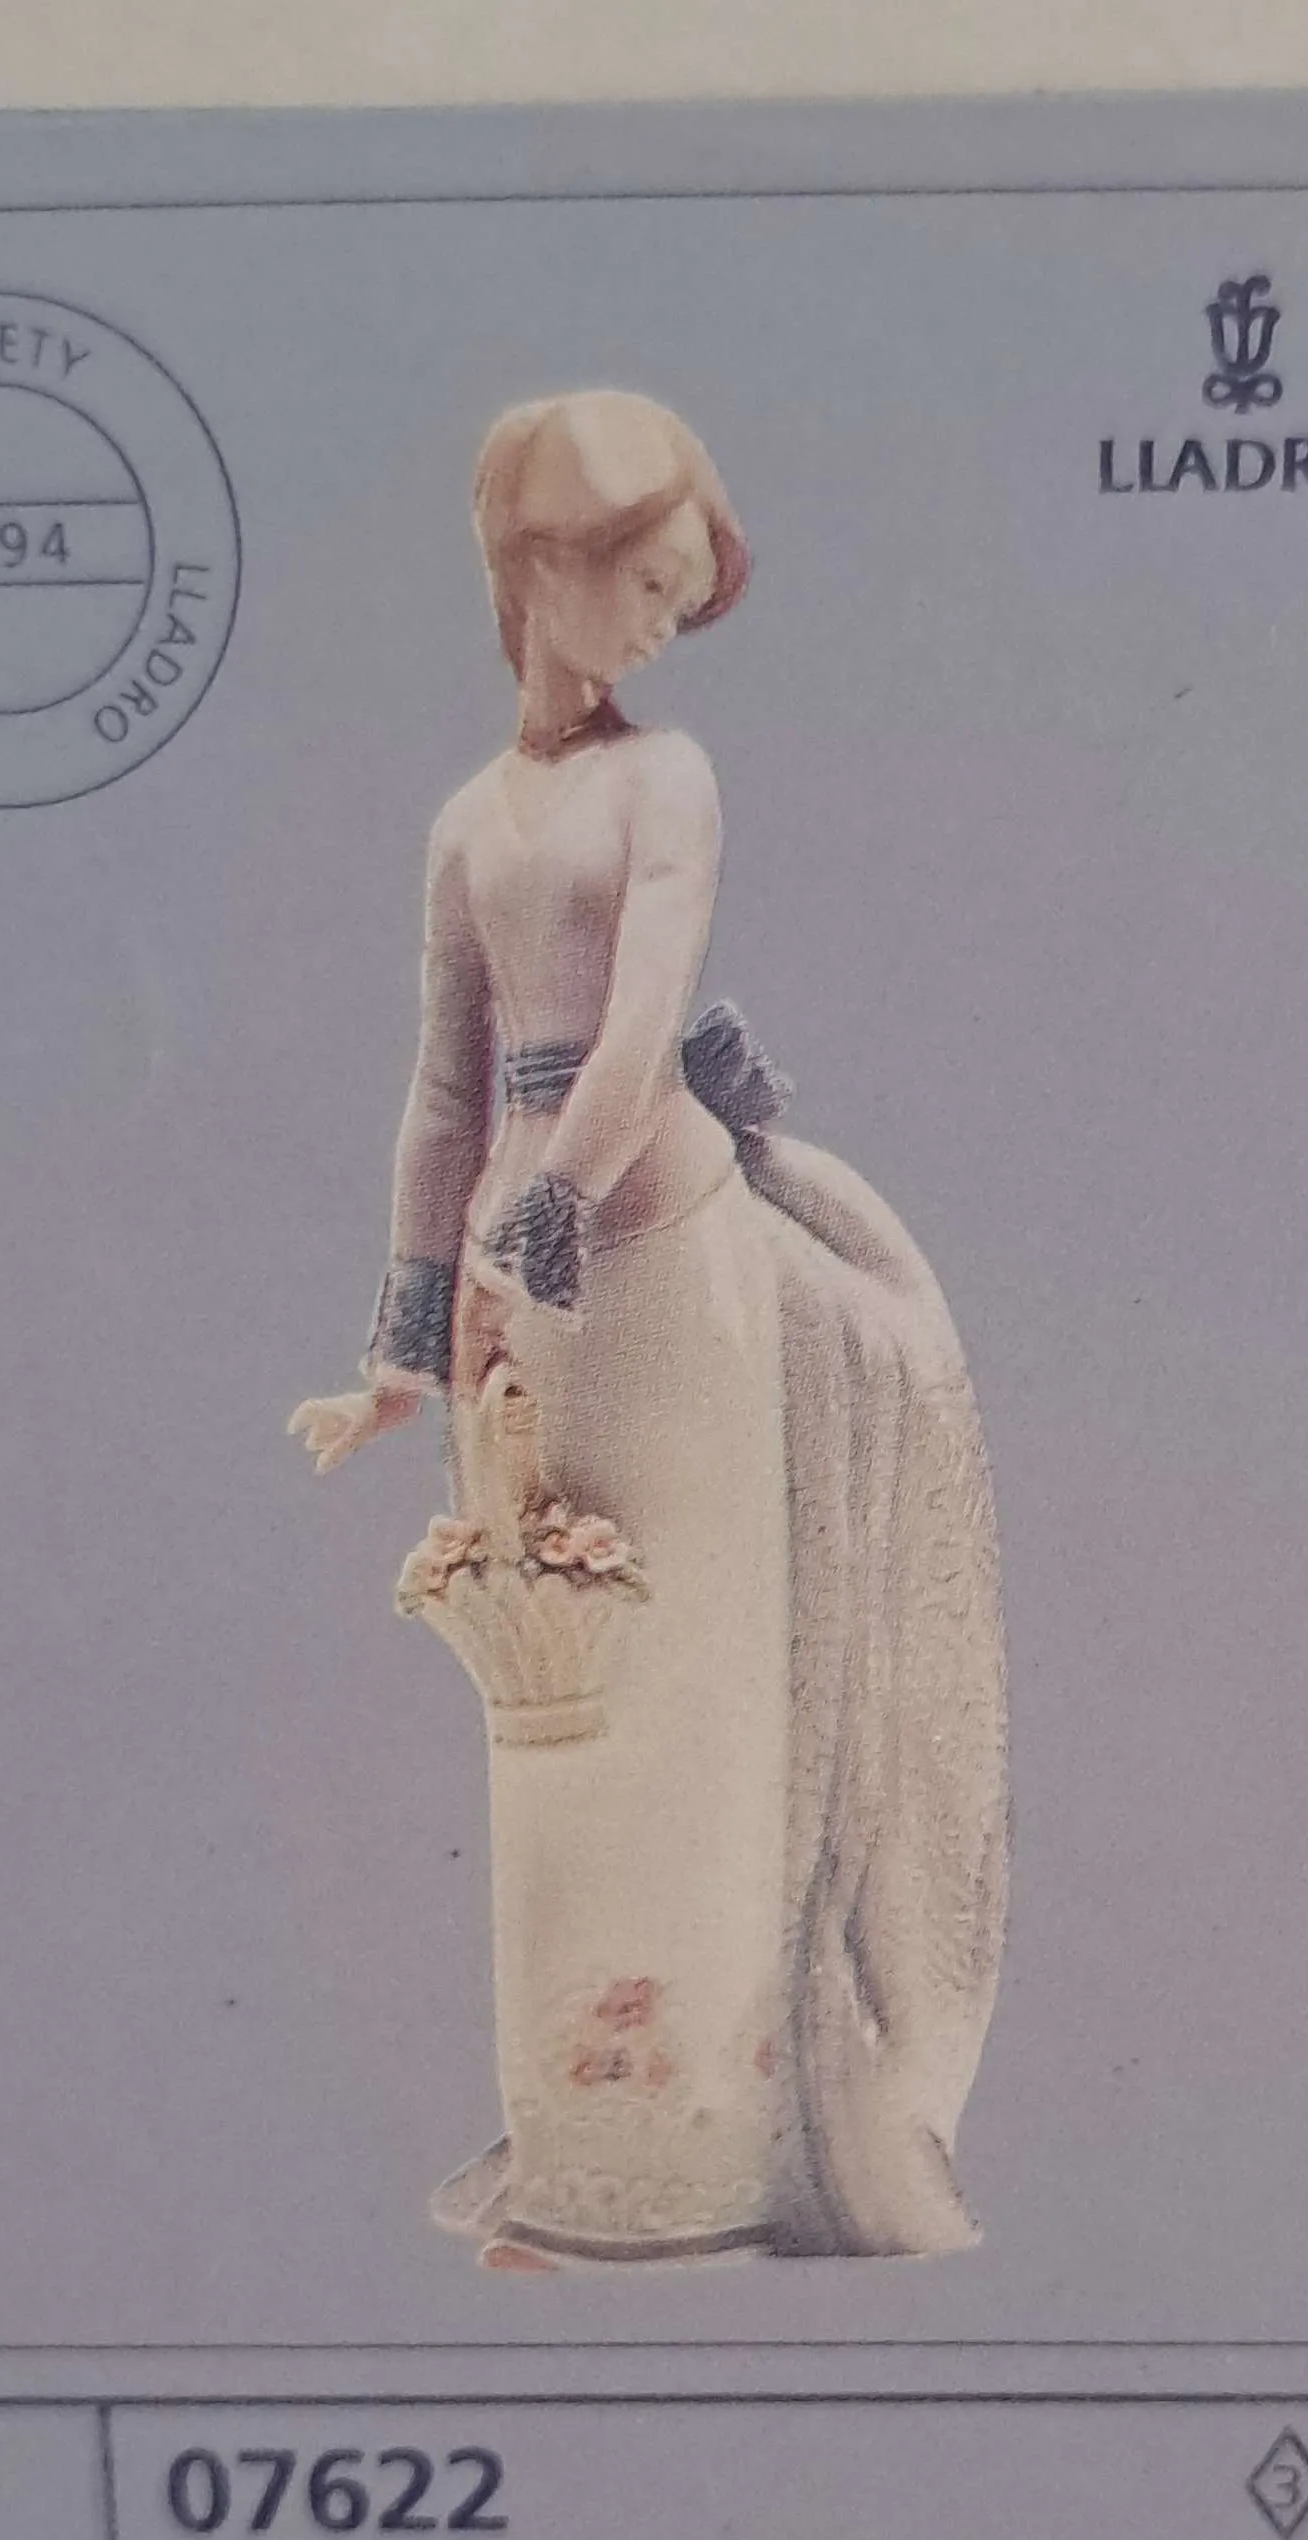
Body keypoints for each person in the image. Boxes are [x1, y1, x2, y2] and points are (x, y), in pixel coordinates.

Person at [290, 389, 1005, 2268]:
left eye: (684, 601)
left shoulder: (665, 780)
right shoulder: (469, 822)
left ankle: (705, 2153)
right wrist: (405, 1340)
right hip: (518, 1300)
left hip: (660, 1257)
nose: (663, 632)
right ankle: (582, 2149)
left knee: (684, 1676)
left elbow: (635, 1029)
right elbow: (443, 1092)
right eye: (647, 589)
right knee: (556, 1696)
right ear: (543, 568)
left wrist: (528, 1229)